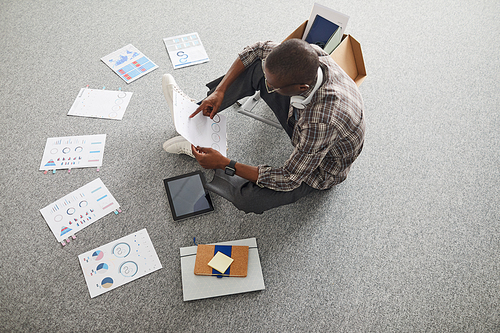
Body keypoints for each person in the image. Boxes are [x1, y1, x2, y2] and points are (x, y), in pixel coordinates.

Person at [162, 39, 365, 214]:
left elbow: (289, 178)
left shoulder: (321, 122)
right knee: (258, 68)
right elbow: (257, 50)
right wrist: (221, 90)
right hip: (303, 120)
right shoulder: (310, 54)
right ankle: (190, 118)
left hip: (321, 168)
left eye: (273, 87)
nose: (267, 88)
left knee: (248, 199)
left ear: (301, 88)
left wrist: (225, 164)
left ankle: (210, 155)